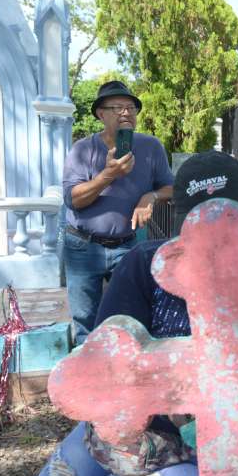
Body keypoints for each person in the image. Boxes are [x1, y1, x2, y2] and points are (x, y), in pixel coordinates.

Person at [0, 152, 238, 476]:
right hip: (122, 438)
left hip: (218, 470)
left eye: (227, 222)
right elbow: (106, 372)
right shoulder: (146, 266)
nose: (214, 240)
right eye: (200, 226)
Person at [62, 80, 174, 346]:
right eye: (118, 107)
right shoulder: (83, 150)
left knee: (131, 317)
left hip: (128, 244)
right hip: (83, 246)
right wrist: (108, 175)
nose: (126, 113)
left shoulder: (151, 147)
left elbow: (171, 187)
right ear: (101, 114)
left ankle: (126, 375)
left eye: (131, 108)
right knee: (85, 321)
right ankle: (86, 377)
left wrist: (151, 196)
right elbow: (72, 200)